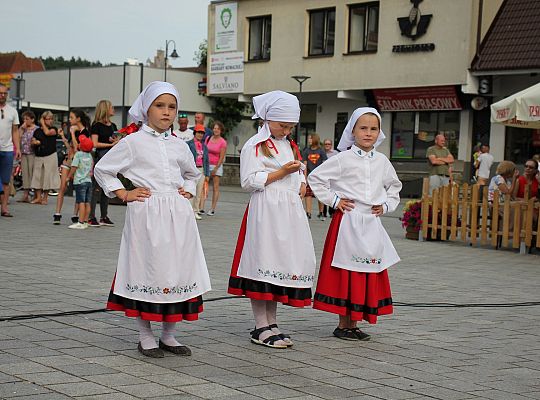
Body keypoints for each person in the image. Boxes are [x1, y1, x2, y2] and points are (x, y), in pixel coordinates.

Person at [94, 81, 211, 358]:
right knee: (148, 268)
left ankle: (169, 335)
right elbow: (103, 169)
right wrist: (124, 193)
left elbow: (193, 173)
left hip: (177, 214)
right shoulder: (133, 142)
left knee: (176, 269)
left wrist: (188, 191)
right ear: (147, 109)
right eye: (160, 105)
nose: (166, 112)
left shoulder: (179, 145)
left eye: (172, 107)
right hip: (147, 212)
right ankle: (145, 335)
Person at [228, 90, 316, 349]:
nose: (286, 130)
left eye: (290, 126)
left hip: (288, 211)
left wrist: (301, 181)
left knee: (279, 264)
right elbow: (248, 181)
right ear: (267, 119)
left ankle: (272, 322)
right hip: (266, 210)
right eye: (282, 125)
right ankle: (260, 325)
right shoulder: (255, 145)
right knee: (263, 261)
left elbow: (297, 169)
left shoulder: (289, 144)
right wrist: (280, 173)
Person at [309, 107, 401, 341]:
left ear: (379, 132)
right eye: (363, 128)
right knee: (347, 271)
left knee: (367, 270)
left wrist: (387, 206)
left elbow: (394, 186)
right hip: (348, 222)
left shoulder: (382, 161)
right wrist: (335, 200)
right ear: (353, 130)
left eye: (373, 128)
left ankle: (356, 322)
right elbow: (315, 178)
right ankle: (343, 323)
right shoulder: (342, 159)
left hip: (371, 223)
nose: (368, 133)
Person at [53, 109, 90, 224]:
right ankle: (57, 213)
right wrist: (63, 136)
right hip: (68, 160)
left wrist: (73, 134)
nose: (70, 120)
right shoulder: (72, 129)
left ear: (78, 118)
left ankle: (75, 215)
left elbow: (78, 148)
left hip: (78, 163)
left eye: (71, 117)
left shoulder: (84, 132)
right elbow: (70, 147)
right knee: (62, 186)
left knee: (78, 188)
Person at [88, 100, 119, 227]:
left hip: (111, 158)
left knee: (107, 186)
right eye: (111, 107)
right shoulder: (96, 125)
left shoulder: (113, 126)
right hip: (101, 157)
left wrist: (116, 141)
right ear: (106, 109)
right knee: (96, 187)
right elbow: (94, 143)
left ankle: (104, 216)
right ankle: (91, 216)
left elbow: (115, 139)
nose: (113, 109)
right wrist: (110, 144)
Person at [30, 112, 60, 206]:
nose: (50, 121)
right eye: (48, 119)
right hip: (39, 155)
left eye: (51, 119)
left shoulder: (54, 129)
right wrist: (35, 142)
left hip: (50, 155)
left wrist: (42, 123)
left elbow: (47, 133)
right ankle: (38, 197)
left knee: (47, 177)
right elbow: (32, 141)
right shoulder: (37, 131)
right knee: (37, 176)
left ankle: (45, 198)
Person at [0, 84, 20, 217]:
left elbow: (15, 131)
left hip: (7, 149)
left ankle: (4, 208)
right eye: (0, 93)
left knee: (6, 180)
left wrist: (17, 147)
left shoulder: (12, 111)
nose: (2, 96)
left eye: (4, 93)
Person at [67, 136, 94, 229]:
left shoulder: (78, 154)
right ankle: (86, 221)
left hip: (79, 181)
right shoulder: (90, 155)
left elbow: (74, 166)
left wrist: (69, 176)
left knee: (81, 202)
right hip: (88, 182)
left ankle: (80, 222)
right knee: (87, 202)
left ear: (81, 146)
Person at [203, 120, 227, 216]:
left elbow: (221, 157)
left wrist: (216, 168)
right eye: (214, 128)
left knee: (215, 187)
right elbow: (204, 151)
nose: (216, 130)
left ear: (221, 130)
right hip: (207, 164)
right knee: (204, 186)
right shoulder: (208, 138)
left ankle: (212, 208)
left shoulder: (223, 142)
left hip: (217, 165)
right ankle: (201, 207)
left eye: (218, 128)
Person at [302, 133, 327, 220]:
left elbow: (325, 164)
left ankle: (321, 212)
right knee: (308, 195)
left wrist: (324, 176)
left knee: (320, 194)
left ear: (315, 139)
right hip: (309, 175)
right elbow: (304, 165)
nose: (309, 140)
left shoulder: (321, 151)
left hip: (319, 176)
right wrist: (304, 177)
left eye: (310, 138)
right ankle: (308, 213)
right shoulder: (306, 151)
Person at [186, 124, 209, 220]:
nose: (200, 134)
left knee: (199, 193)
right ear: (195, 133)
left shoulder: (204, 146)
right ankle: (188, 211)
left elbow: (206, 160)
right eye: (199, 132)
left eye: (202, 133)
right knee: (191, 191)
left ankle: (196, 211)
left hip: (201, 170)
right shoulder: (189, 144)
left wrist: (207, 174)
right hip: (192, 170)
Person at [18, 111, 38, 203]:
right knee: (25, 174)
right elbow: (17, 138)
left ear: (32, 119)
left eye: (27, 119)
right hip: (24, 153)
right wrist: (21, 129)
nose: (25, 121)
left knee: (32, 173)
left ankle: (34, 194)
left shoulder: (36, 129)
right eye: (24, 119)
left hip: (32, 153)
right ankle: (25, 195)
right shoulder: (23, 129)